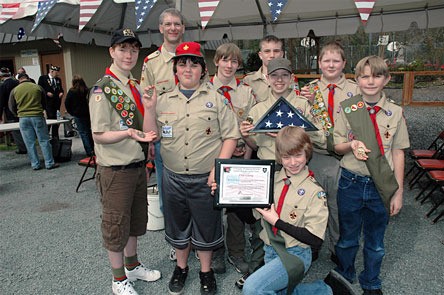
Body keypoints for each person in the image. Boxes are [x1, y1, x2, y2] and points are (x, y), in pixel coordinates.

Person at [142, 41, 240, 295]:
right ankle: (181, 268)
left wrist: (218, 168)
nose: (188, 68)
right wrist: (150, 109)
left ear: (202, 70)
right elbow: (150, 135)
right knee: (178, 227)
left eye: (193, 64)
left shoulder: (217, 100)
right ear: (175, 69)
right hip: (173, 178)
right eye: (182, 63)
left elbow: (230, 136)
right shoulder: (162, 101)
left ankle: (205, 271)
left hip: (205, 179)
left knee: (206, 229)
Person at [211, 126, 355, 295]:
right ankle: (325, 290)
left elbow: (315, 240)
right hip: (270, 250)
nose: (293, 162)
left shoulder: (314, 191)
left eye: (298, 155)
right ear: (279, 156)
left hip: (296, 254)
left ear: (307, 153)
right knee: (276, 291)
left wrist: (277, 222)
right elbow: (251, 218)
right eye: (286, 157)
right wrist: (227, 194)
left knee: (253, 289)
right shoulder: (272, 181)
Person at [238, 57, 326, 288]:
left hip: (294, 168)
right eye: (274, 75)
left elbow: (319, 137)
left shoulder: (302, 105)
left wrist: (294, 134)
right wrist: (246, 134)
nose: (279, 80)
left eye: (284, 75)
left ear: (291, 79)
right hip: (269, 170)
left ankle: (292, 263)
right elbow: (254, 145)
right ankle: (265, 267)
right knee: (263, 222)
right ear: (267, 78)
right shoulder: (257, 108)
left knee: (291, 217)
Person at [89, 28, 161, 295]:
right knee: (116, 224)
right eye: (123, 49)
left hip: (137, 166)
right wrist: (128, 132)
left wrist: (150, 109)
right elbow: (99, 134)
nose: (129, 54)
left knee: (134, 221)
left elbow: (148, 131)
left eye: (133, 49)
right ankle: (118, 279)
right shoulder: (103, 89)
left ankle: (132, 266)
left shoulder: (136, 87)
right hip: (115, 169)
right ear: (112, 52)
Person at [333, 55, 410, 295]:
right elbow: (337, 146)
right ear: (356, 80)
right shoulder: (348, 109)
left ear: (386, 79)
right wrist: (351, 145)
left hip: (381, 186)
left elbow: (398, 153)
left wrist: (398, 191)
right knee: (347, 239)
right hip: (351, 182)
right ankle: (345, 275)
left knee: (376, 243)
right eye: (364, 76)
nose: (370, 81)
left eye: (376, 75)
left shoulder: (395, 113)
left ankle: (371, 282)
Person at [300, 41, 360, 264]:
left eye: (336, 60)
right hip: (316, 156)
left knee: (338, 207)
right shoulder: (309, 91)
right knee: (312, 204)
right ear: (319, 63)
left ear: (344, 63)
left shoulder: (356, 90)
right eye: (327, 60)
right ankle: (312, 244)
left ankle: (338, 247)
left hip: (344, 159)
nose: (331, 65)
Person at [140, 9, 185, 252]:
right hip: (164, 139)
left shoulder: (193, 57)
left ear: (183, 28)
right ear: (160, 28)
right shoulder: (151, 63)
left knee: (196, 190)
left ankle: (197, 237)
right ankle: (175, 240)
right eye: (168, 24)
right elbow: (146, 104)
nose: (173, 28)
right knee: (168, 193)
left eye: (177, 24)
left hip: (193, 135)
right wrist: (149, 141)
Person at [209, 42, 257, 275]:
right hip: (212, 156)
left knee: (236, 208)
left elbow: (249, 127)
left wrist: (246, 157)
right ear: (216, 61)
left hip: (241, 155)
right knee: (212, 208)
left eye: (234, 61)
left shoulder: (246, 92)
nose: (229, 65)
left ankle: (236, 252)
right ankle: (215, 249)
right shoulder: (205, 89)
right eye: (225, 60)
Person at [8, 74, 59, 170]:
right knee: (44, 140)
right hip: (37, 116)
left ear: (19, 80)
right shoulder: (38, 88)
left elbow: (11, 106)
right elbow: (44, 102)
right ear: (28, 78)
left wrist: (18, 114)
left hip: (23, 118)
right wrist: (41, 110)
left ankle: (35, 164)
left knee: (29, 143)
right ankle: (49, 163)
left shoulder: (15, 90)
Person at [65, 75, 94, 156]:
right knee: (89, 132)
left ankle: (89, 152)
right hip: (87, 113)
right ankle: (93, 149)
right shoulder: (86, 90)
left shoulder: (72, 91)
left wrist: (72, 112)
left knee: (83, 133)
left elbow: (67, 103)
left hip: (78, 114)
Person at [0, 67, 27, 154]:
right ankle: (28, 145)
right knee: (25, 129)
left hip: (10, 111)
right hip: (22, 109)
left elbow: (2, 101)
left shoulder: (3, 86)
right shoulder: (17, 83)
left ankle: (22, 148)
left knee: (16, 131)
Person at [38, 65, 64, 139]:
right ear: (51, 71)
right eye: (56, 73)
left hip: (56, 102)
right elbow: (39, 88)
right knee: (50, 118)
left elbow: (61, 89)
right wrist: (46, 92)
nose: (57, 74)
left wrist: (61, 92)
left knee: (56, 119)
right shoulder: (43, 78)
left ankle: (55, 136)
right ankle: (46, 134)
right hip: (48, 102)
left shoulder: (58, 79)